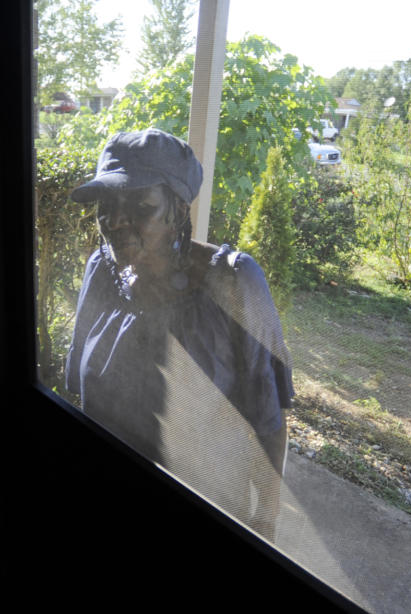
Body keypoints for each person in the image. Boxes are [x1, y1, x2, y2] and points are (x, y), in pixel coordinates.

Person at [64, 128, 293, 540]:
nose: (115, 220)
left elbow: (269, 417)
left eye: (140, 204)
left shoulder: (233, 282)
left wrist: (266, 519)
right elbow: (77, 390)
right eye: (107, 204)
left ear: (179, 208)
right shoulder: (102, 270)